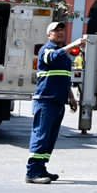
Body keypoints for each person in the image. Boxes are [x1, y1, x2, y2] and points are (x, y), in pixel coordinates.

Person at [26, 22, 79, 184]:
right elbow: (51, 58)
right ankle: (32, 172)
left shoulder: (63, 56)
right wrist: (73, 45)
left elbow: (64, 78)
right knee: (41, 136)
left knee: (50, 137)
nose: (60, 33)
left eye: (62, 30)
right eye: (56, 31)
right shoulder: (46, 49)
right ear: (49, 35)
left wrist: (71, 97)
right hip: (45, 100)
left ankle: (41, 168)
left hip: (57, 101)